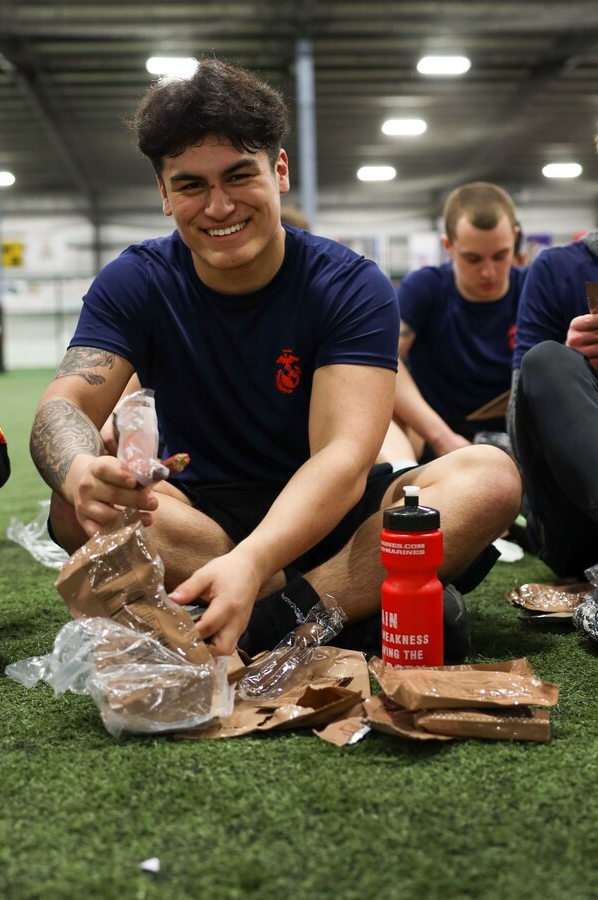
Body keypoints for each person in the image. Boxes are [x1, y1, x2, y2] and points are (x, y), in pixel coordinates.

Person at [29, 59, 521, 659]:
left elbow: (343, 458)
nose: (218, 206)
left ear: (279, 170)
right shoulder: (135, 280)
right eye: (191, 185)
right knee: (70, 503)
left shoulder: (350, 284)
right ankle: (350, 606)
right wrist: (80, 469)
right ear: (163, 193)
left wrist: (255, 560)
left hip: (336, 516)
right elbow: (66, 404)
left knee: (490, 476)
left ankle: (272, 618)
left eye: (239, 176)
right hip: (200, 522)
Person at [379, 182, 527, 466]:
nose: (488, 271)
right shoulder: (425, 288)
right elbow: (383, 359)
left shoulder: (533, 288)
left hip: (518, 432)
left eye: (500, 256)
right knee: (374, 406)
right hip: (439, 432)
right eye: (473, 259)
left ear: (515, 239)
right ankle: (401, 492)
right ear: (448, 246)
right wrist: (442, 438)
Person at [509, 224, 598, 576]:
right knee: (547, 359)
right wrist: (574, 366)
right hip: (576, 518)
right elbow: (519, 423)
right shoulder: (557, 268)